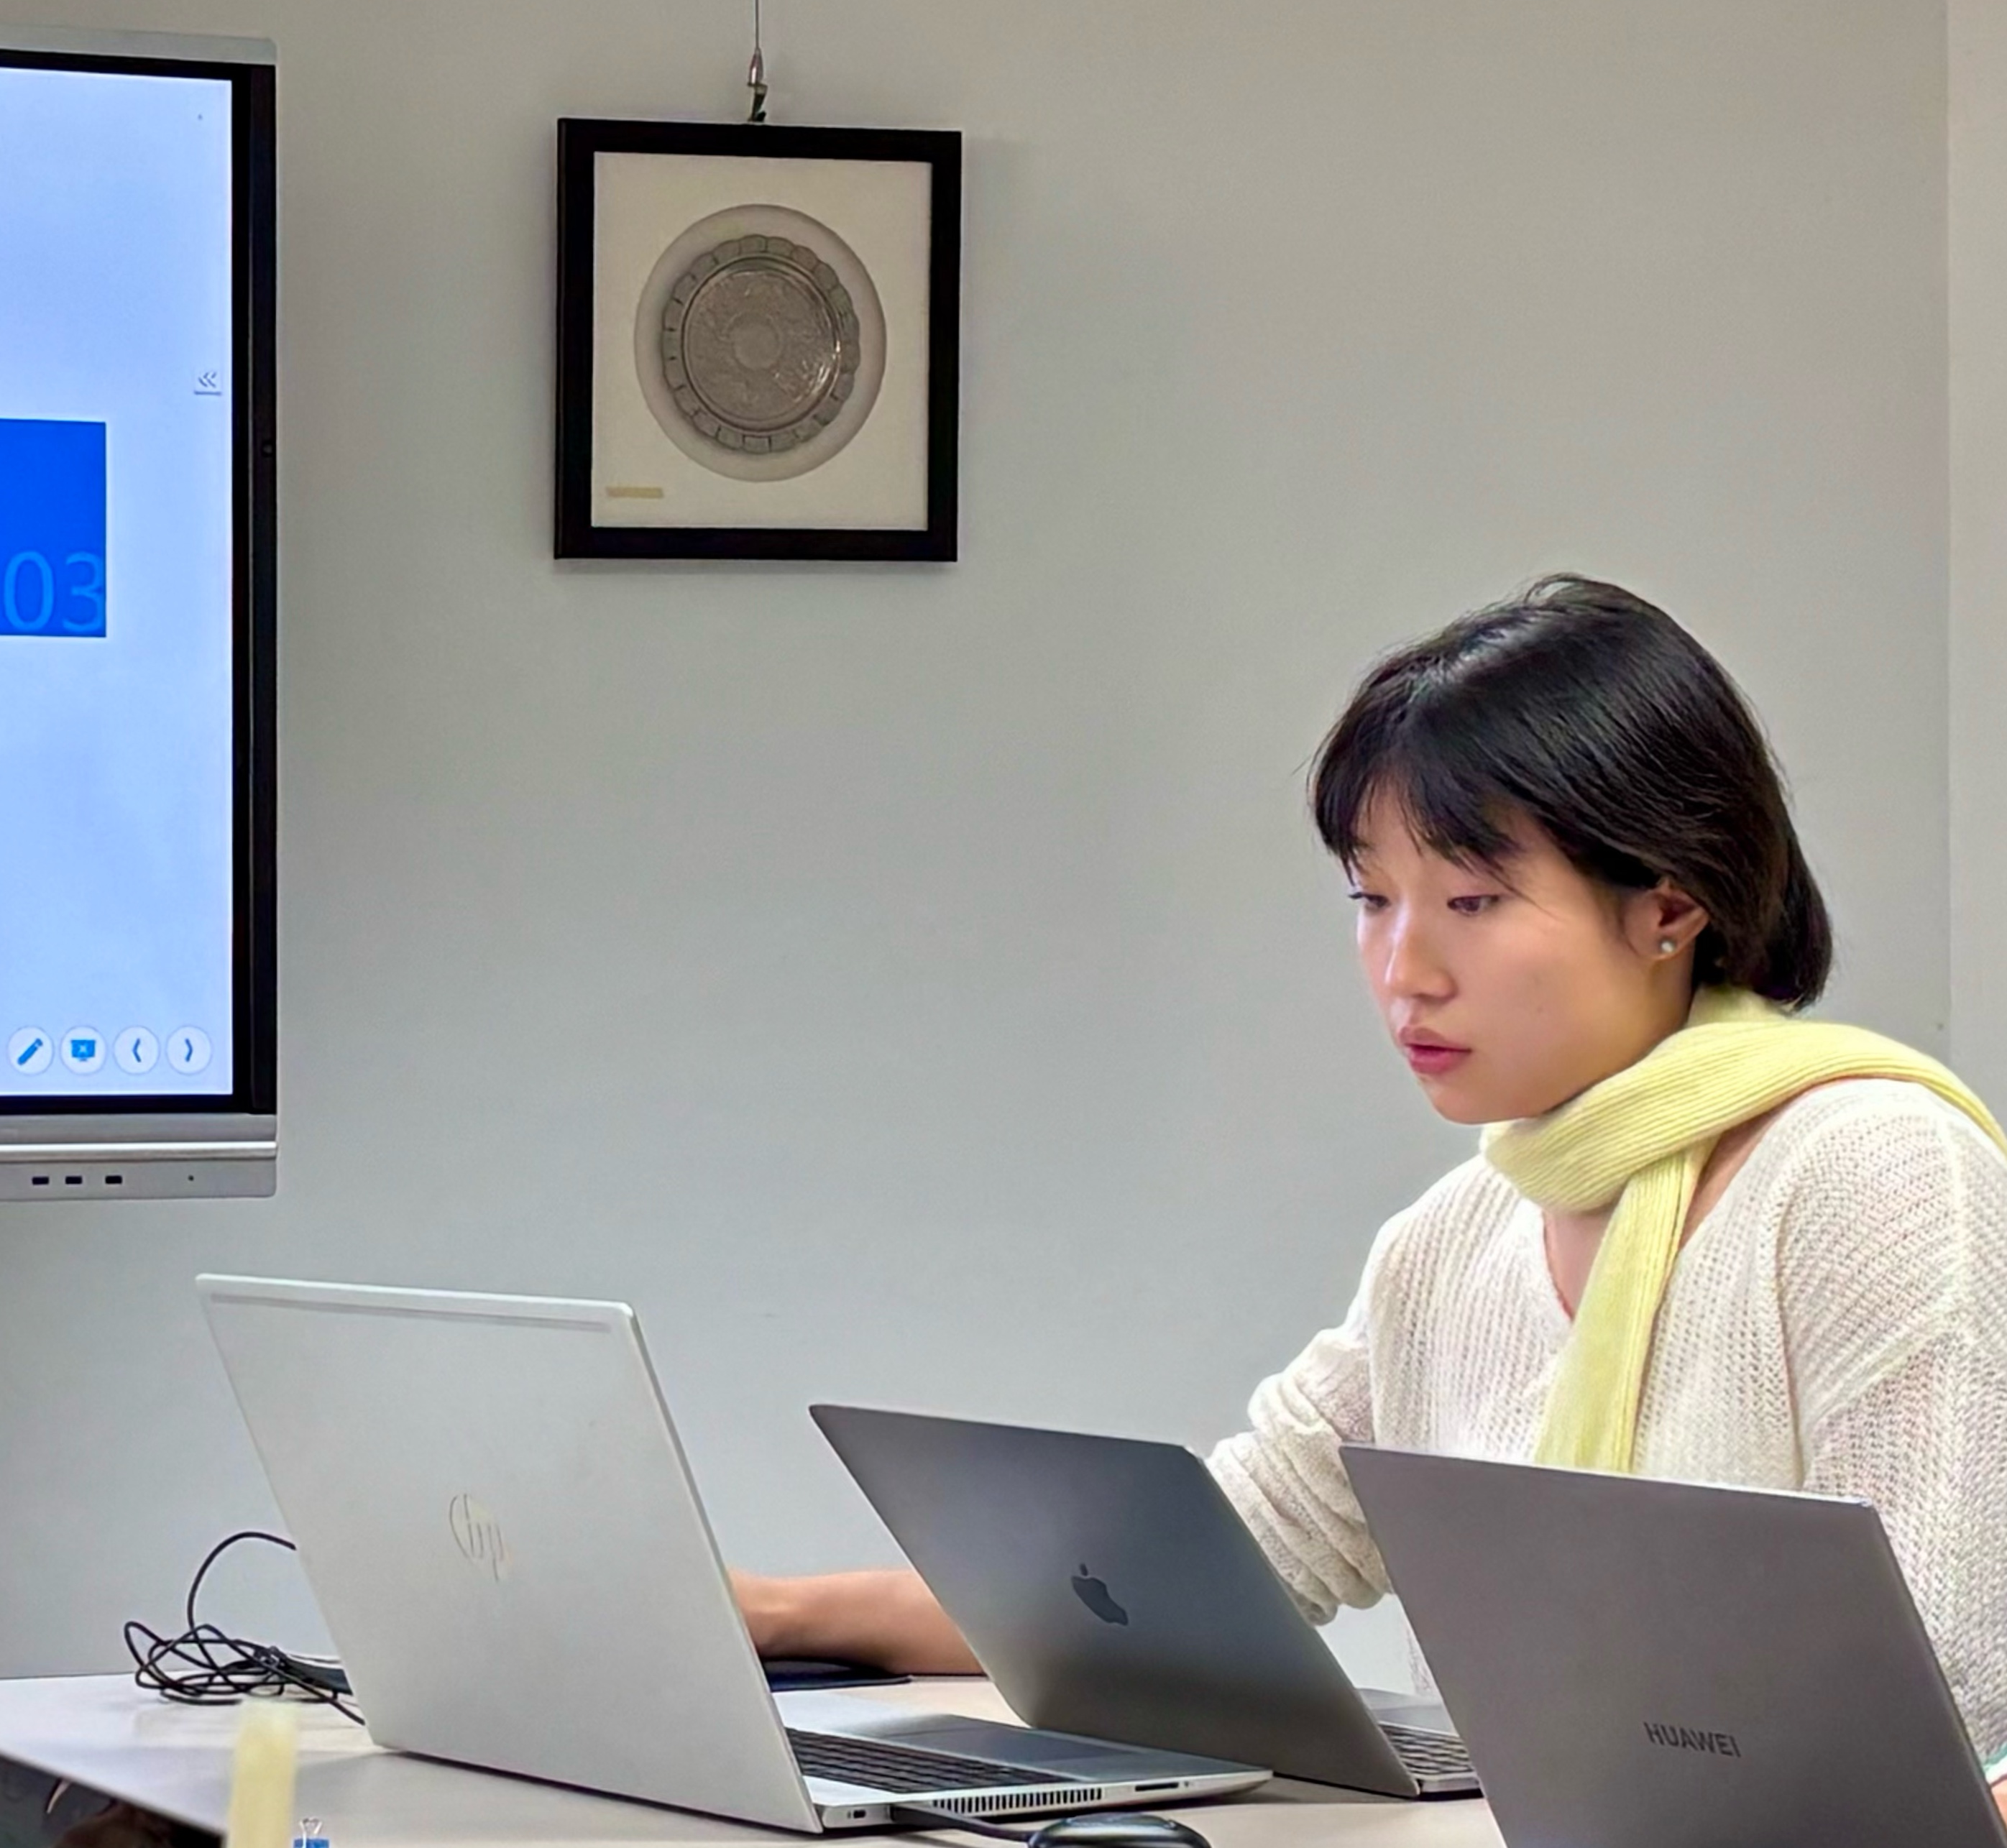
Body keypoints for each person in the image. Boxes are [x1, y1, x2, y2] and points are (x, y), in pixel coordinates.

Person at [737, 576, 2007, 1789]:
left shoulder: (1871, 1169)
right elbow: (1185, 1570)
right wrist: (774, 1613)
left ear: (1668, 908)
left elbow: (1946, 1683)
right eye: (1373, 898)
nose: (1406, 971)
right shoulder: (1451, 1241)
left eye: (1473, 900)